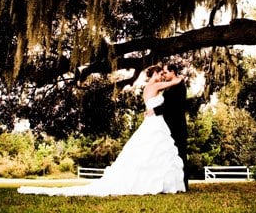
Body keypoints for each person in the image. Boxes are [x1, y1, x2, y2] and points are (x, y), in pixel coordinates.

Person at [17, 65, 185, 196]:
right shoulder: (155, 86)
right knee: (153, 152)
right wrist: (180, 77)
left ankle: (158, 182)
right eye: (159, 74)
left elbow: (158, 101)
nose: (161, 76)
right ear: (153, 75)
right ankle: (153, 182)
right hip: (154, 123)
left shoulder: (151, 87)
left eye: (162, 74)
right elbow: (174, 82)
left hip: (154, 121)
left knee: (153, 153)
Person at [154, 63, 189, 191]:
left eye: (166, 72)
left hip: (177, 125)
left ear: (173, 72)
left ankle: (183, 184)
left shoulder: (179, 86)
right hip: (167, 126)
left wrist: (155, 111)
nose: (164, 75)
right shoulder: (169, 87)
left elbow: (173, 105)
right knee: (170, 155)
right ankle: (172, 184)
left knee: (180, 154)